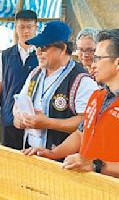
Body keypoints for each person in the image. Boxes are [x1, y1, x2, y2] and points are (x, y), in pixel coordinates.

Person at [23, 29, 119, 184]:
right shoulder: (98, 96)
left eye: (98, 58)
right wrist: (53, 153)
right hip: (89, 188)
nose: (92, 64)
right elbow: (81, 134)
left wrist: (97, 165)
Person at [13, 21, 98, 153]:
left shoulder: (82, 80)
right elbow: (19, 102)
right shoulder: (36, 73)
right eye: (37, 47)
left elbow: (86, 121)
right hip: (31, 151)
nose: (38, 52)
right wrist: (17, 116)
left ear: (63, 49)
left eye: (44, 47)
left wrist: (48, 123)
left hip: (62, 159)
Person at [0, 10, 39, 149]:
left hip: (34, 122)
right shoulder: (6, 55)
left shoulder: (42, 54)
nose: (26, 31)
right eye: (22, 27)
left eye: (30, 27)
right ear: (15, 28)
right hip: (8, 120)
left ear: (36, 27)